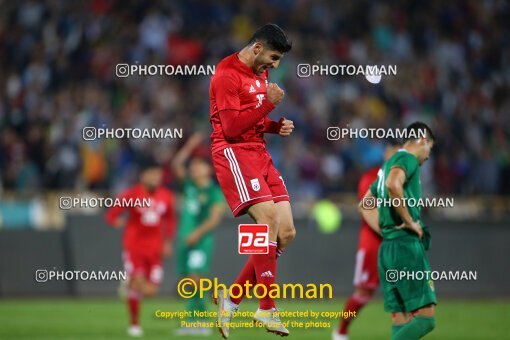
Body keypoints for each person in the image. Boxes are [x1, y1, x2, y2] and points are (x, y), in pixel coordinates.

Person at [209, 23, 295, 338]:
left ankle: (230, 302)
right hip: (233, 153)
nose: (275, 65)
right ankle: (267, 307)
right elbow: (231, 128)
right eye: (274, 58)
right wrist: (270, 104)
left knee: (285, 231)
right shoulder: (226, 75)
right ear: (257, 48)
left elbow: (251, 116)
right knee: (267, 219)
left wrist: (274, 126)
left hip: (260, 153)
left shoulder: (260, 71)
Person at [359, 122, 437, 339]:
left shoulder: (386, 166)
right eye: (430, 147)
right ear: (422, 140)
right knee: (426, 318)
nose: (428, 156)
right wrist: (409, 221)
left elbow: (365, 204)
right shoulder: (406, 159)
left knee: (401, 318)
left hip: (388, 249)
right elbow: (394, 184)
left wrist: (386, 230)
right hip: (405, 247)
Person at [333, 139, 401, 340]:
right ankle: (341, 330)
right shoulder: (371, 178)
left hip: (396, 242)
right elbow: (368, 210)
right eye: (395, 151)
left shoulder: (404, 179)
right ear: (386, 152)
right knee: (363, 293)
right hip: (373, 243)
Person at [105, 159, 175, 337]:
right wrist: (116, 221)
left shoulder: (166, 195)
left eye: (158, 174)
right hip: (134, 246)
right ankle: (134, 324)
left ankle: (127, 285)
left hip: (155, 249)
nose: (155, 178)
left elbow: (170, 219)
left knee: (151, 291)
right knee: (137, 283)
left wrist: (168, 241)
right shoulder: (132, 194)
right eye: (152, 174)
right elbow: (112, 213)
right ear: (143, 176)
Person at [172, 133, 225, 336]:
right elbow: (176, 163)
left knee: (195, 279)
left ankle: (198, 322)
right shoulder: (189, 186)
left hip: (201, 241)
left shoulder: (214, 192)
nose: (193, 169)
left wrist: (196, 233)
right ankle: (198, 320)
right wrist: (190, 145)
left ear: (208, 170)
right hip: (185, 240)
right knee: (187, 282)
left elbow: (214, 219)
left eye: (198, 166)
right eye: (192, 166)